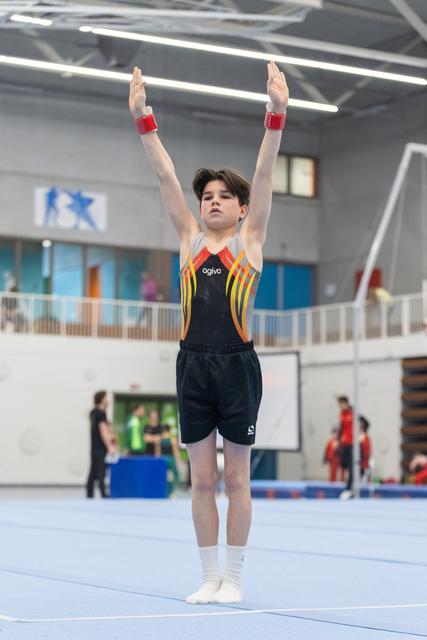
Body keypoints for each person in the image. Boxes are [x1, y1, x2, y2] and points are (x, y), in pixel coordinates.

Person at [129, 60, 288, 604]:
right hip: (192, 364)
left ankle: (236, 579)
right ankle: (207, 577)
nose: (212, 200)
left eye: (223, 196)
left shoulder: (250, 244)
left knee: (237, 479)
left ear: (243, 210)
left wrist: (277, 116)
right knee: (200, 479)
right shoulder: (190, 242)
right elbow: (165, 176)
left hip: (238, 366)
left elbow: (264, 174)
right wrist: (144, 118)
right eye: (208, 196)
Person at [86, 390, 118, 498]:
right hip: (101, 447)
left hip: (94, 447)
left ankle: (89, 495)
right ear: (102, 399)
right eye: (106, 398)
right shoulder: (101, 413)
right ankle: (104, 495)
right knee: (101, 472)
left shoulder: (93, 412)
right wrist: (110, 446)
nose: (108, 400)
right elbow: (103, 430)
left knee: (93, 472)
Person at [337, 395, 354, 493]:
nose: (340, 406)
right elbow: (341, 429)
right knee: (344, 465)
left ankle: (349, 487)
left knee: (352, 466)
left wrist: (362, 433)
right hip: (344, 444)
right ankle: (346, 485)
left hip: (352, 443)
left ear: (346, 403)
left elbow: (365, 423)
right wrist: (339, 440)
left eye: (341, 404)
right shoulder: (341, 414)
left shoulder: (352, 413)